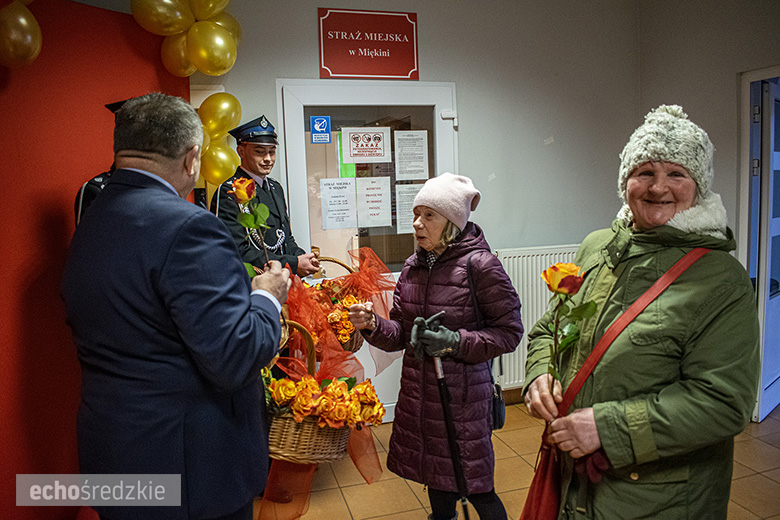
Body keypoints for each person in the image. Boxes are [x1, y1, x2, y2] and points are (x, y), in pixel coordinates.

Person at [523, 105, 760, 519]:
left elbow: (724, 402)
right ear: (625, 182)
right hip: (573, 484)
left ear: (698, 186)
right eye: (645, 172)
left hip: (656, 499)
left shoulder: (722, 278)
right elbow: (550, 328)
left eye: (677, 174)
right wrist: (540, 373)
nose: (657, 187)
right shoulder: (596, 247)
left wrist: (606, 428)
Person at [62, 93, 291, 520]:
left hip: (113, 448)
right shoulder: (190, 227)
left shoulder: (93, 212)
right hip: (189, 466)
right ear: (191, 158)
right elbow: (235, 356)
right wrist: (266, 296)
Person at [349, 173, 524, 520]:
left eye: (429, 215)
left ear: (452, 222)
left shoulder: (480, 266)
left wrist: (455, 342)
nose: (417, 223)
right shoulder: (414, 268)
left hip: (462, 400)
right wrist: (372, 324)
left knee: (477, 488)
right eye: (416, 214)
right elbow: (399, 333)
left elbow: (509, 332)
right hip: (421, 398)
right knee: (439, 483)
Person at [210, 115, 319, 277]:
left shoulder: (275, 188)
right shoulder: (229, 191)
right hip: (252, 283)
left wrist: (302, 256)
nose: (268, 159)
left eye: (272, 152)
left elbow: (285, 237)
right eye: (260, 152)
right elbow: (235, 250)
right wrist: (293, 263)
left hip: (282, 279)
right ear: (241, 151)